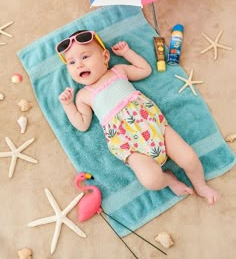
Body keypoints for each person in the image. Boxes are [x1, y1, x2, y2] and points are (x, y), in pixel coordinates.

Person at [56, 30, 220, 206]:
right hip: (129, 146)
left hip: (154, 126)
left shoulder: (118, 71)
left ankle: (201, 185)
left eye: (85, 57)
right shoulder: (83, 96)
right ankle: (169, 180)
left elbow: (145, 70)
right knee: (151, 180)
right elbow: (82, 124)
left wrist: (127, 53)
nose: (79, 65)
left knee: (189, 158)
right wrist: (68, 105)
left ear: (105, 57)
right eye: (71, 62)